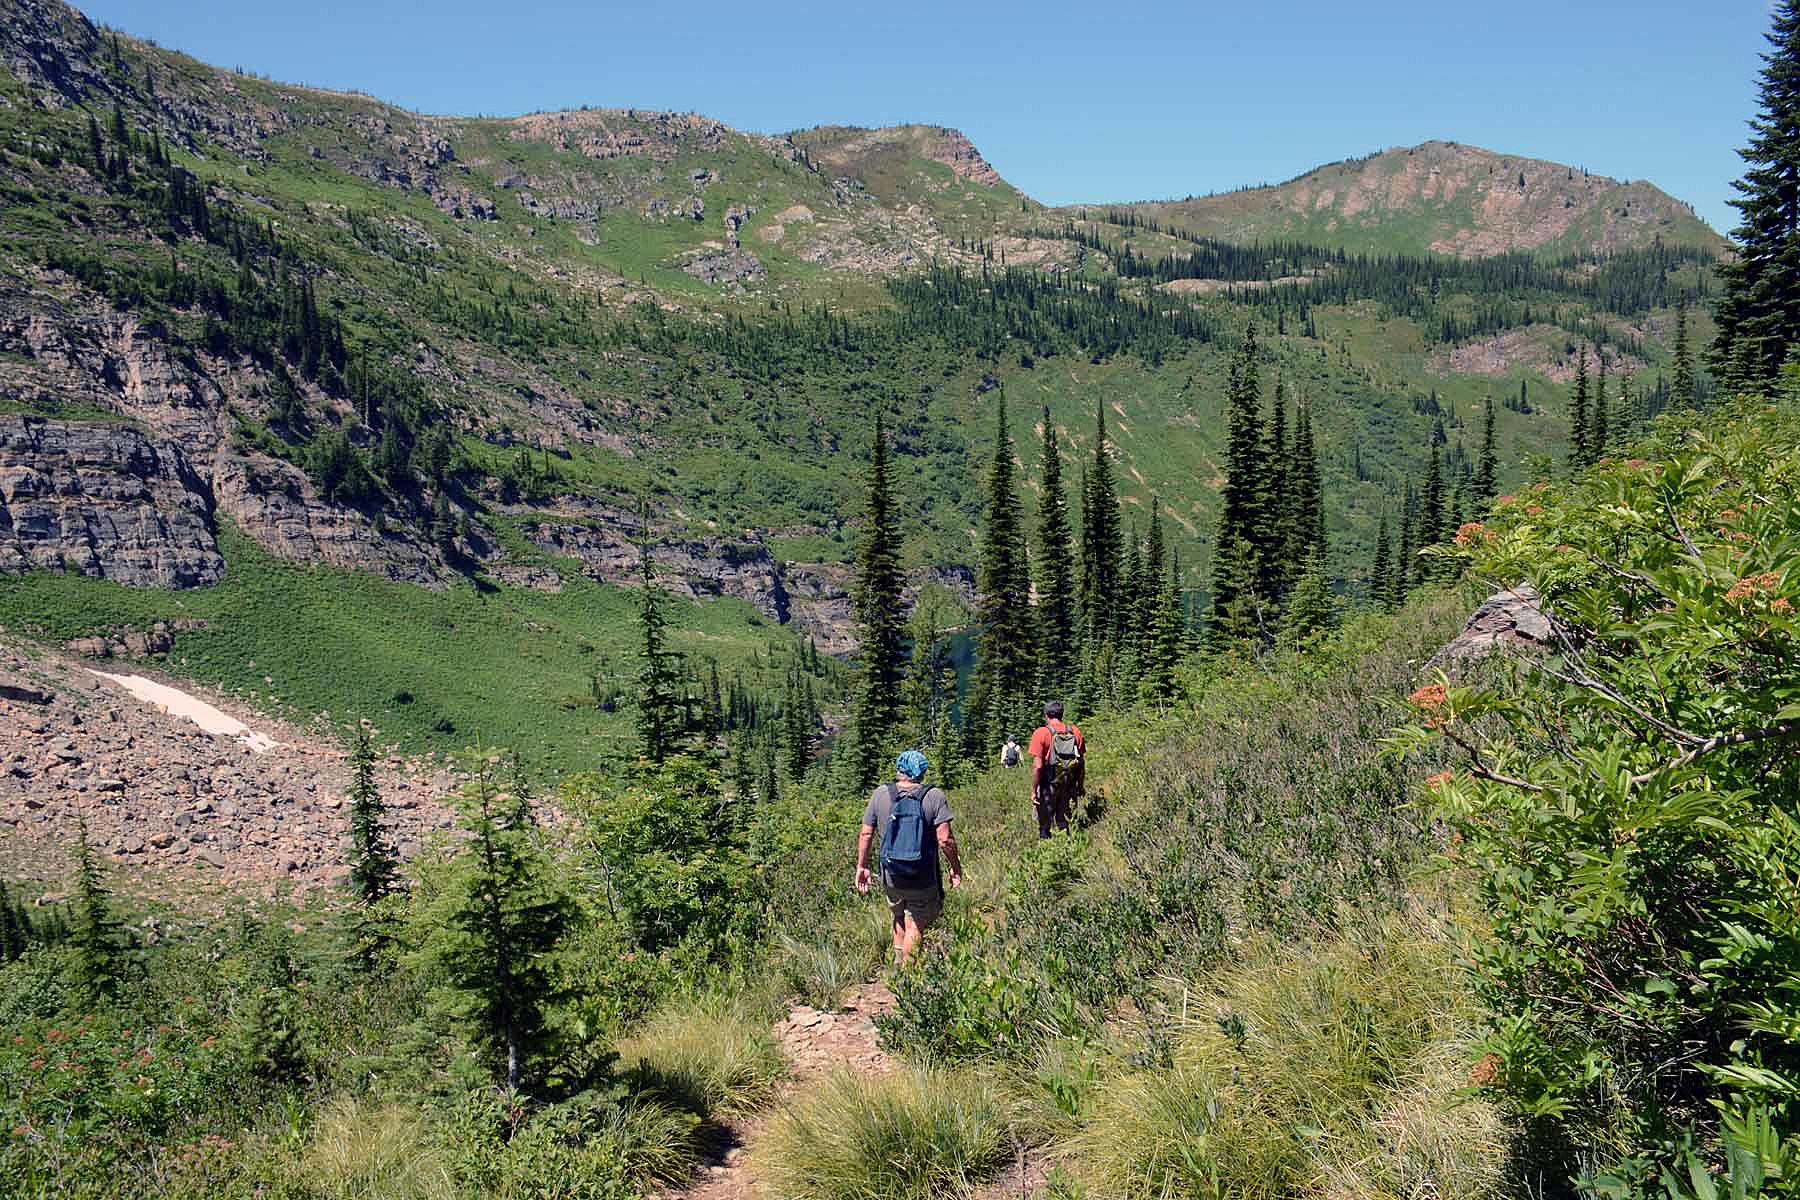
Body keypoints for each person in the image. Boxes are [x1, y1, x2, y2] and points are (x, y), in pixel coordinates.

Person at [855, 750, 962, 966]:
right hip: (921, 875)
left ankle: (897, 968)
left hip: (891, 874)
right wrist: (956, 868)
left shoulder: (880, 794)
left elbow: (866, 833)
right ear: (922, 772)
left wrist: (862, 866)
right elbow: (945, 840)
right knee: (915, 923)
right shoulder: (934, 796)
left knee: (898, 916)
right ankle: (908, 980)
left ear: (899, 770)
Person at [1028, 700, 1084, 839]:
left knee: (1045, 826)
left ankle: (1046, 852)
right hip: (1069, 784)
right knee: (1065, 822)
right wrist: (1080, 786)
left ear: (1046, 715)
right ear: (1061, 714)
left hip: (1049, 785)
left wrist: (1034, 791)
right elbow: (1081, 762)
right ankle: (1067, 852)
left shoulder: (1041, 733)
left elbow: (1038, 766)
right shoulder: (1075, 731)